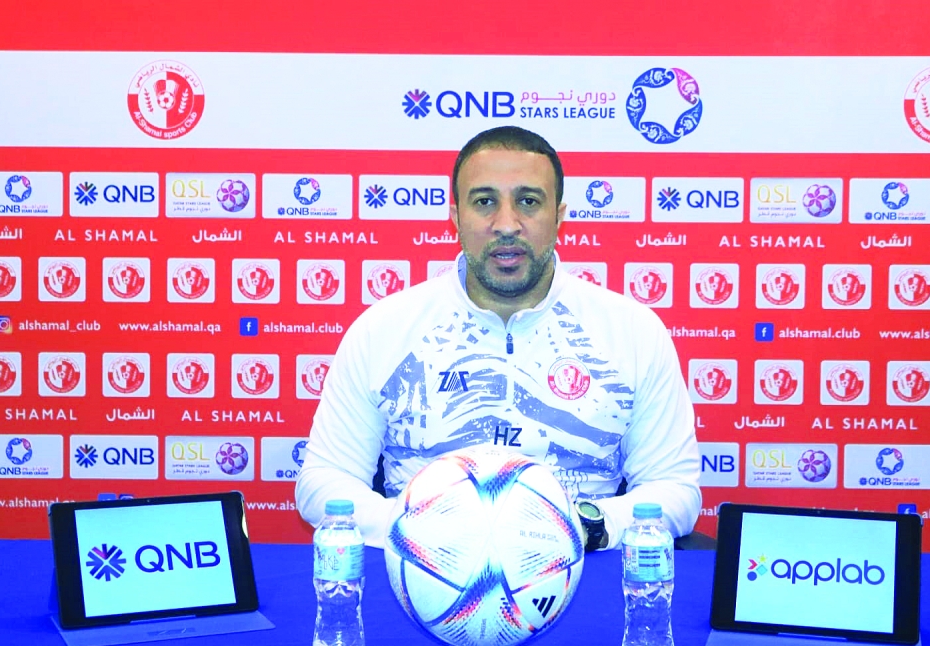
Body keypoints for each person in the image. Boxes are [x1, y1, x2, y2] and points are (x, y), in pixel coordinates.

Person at [296, 126, 701, 550]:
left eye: (528, 201)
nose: (507, 225)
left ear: (560, 216)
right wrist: (419, 526)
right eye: (484, 202)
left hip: (580, 569)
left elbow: (674, 488)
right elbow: (323, 481)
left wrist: (583, 527)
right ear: (456, 217)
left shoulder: (632, 331)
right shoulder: (384, 329)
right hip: (421, 566)